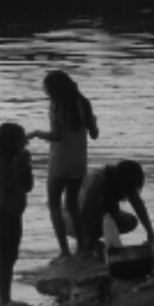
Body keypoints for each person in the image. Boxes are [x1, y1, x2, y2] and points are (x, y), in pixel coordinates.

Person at [28, 70, 98, 260]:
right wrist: (93, 122)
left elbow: (57, 136)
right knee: (73, 205)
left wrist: (36, 133)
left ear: (53, 89)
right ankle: (82, 248)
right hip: (79, 161)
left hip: (60, 162)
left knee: (54, 205)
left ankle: (65, 251)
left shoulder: (57, 105)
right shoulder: (84, 103)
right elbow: (94, 134)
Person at [0, 122, 33, 306]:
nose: (26, 144)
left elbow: (29, 186)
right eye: (22, 140)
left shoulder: (17, 162)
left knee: (12, 256)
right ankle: (3, 299)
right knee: (3, 259)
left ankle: (7, 297)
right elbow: (6, 189)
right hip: (3, 216)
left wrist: (26, 167)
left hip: (15, 216)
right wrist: (18, 169)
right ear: (10, 143)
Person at [75, 159, 154, 258]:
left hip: (95, 215)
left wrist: (150, 233)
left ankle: (93, 241)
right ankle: (86, 242)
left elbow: (138, 205)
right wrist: (94, 242)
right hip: (74, 219)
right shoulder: (97, 180)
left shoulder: (122, 181)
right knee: (104, 214)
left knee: (130, 221)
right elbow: (85, 212)